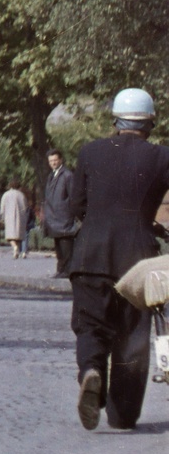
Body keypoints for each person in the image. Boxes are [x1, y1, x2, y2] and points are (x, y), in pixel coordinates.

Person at [68, 88, 169, 431]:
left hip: (90, 256)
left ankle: (92, 370)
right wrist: (147, 222)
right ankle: (123, 414)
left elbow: (76, 207)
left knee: (90, 326)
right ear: (150, 123)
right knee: (131, 335)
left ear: (116, 120)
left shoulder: (90, 152)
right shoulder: (161, 157)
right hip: (136, 261)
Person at [43, 149, 78, 278]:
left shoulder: (67, 175)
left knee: (66, 246)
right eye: (51, 161)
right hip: (54, 218)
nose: (53, 163)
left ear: (61, 160)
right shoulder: (51, 175)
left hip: (64, 218)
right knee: (59, 247)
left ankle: (67, 270)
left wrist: (71, 214)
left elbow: (73, 196)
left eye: (55, 160)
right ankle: (61, 270)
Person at [0, 184, 30, 259]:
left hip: (9, 217)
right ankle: (16, 251)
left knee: (9, 237)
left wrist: (2, 217)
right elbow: (25, 207)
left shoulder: (6, 195)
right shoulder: (21, 195)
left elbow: (2, 207)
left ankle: (14, 248)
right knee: (18, 236)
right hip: (20, 217)